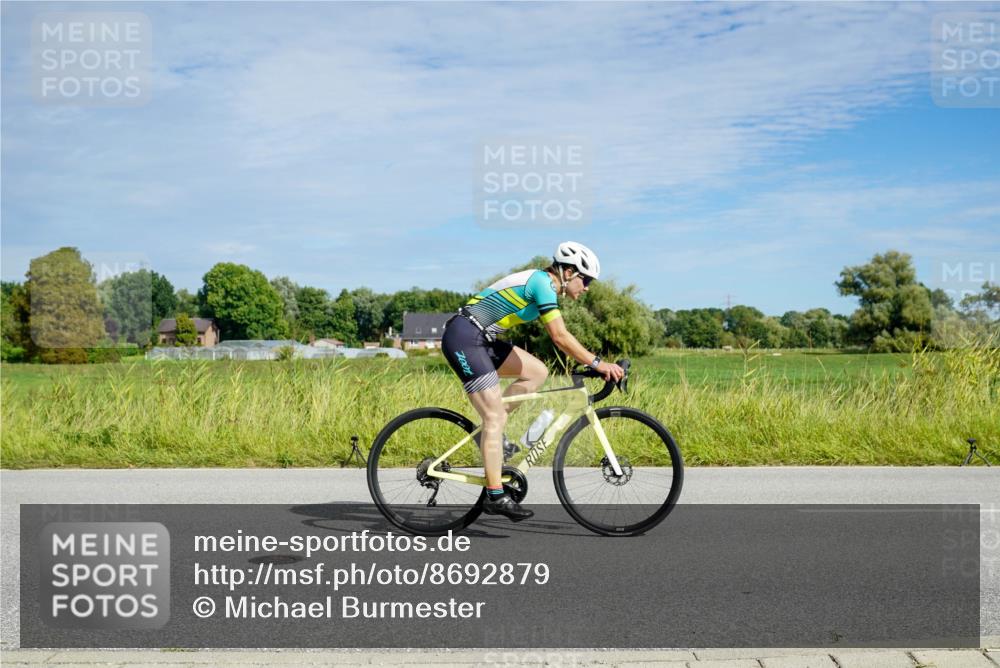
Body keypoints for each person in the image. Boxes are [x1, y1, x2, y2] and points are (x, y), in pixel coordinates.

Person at [441, 241, 625, 522]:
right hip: (464, 338)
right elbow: (560, 337)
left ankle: (494, 436)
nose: (587, 288)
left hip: (482, 339)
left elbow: (560, 338)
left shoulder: (545, 285)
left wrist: (592, 362)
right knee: (493, 417)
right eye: (586, 280)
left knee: (537, 372)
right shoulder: (542, 283)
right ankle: (494, 495)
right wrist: (599, 364)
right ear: (568, 272)